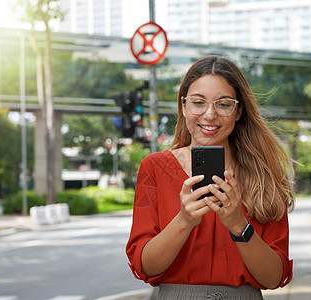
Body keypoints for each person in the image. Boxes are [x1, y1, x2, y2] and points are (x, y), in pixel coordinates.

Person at [126, 55, 295, 299]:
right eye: (198, 102)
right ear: (183, 107)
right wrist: (184, 220)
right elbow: (146, 267)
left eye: (224, 104)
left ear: (238, 112)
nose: (209, 114)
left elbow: (273, 277)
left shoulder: (263, 173)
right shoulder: (155, 168)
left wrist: (238, 224)